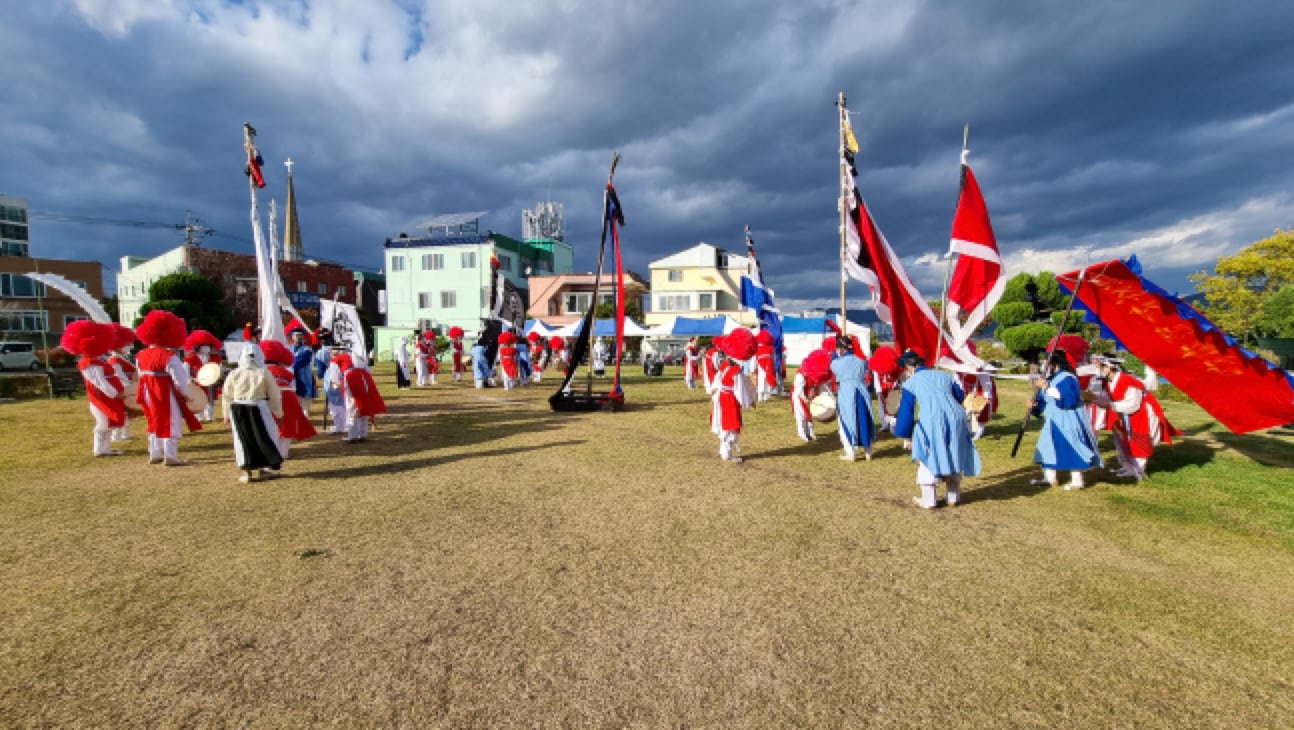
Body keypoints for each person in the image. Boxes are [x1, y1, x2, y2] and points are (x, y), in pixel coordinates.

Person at [894, 350, 981, 509]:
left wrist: (905, 434)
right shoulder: (945, 376)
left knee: (929, 453)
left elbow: (907, 410)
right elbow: (960, 396)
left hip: (932, 418)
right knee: (953, 451)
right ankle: (953, 496)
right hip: (956, 416)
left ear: (909, 368)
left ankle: (929, 500)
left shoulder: (911, 383)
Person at [1092, 356, 1180, 481]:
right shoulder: (1108, 382)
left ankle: (1138, 469)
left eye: (1101, 367)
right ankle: (1127, 467)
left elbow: (1133, 403)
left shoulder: (1128, 380)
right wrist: (1094, 398)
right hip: (1124, 412)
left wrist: (1110, 405)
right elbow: (1108, 397)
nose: (1099, 369)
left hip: (1141, 412)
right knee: (1121, 439)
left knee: (1138, 439)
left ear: (1110, 368)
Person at [134, 310, 202, 466]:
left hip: (146, 392)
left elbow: (140, 375)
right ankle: (171, 456)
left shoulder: (140, 354)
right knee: (172, 421)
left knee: (153, 420)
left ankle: (155, 452)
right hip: (164, 392)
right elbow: (180, 379)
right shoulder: (169, 356)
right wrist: (186, 395)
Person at [1029, 350, 1103, 489]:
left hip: (1067, 418)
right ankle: (1049, 478)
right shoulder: (1050, 379)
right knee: (1047, 447)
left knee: (1071, 446)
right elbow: (1044, 399)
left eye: (1046, 362)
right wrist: (1034, 405)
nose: (1044, 364)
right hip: (1052, 419)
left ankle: (1077, 481)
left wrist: (1046, 387)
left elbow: (1068, 398)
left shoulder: (1068, 378)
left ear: (1054, 363)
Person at [61, 321, 126, 457]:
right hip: (100, 396)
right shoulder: (89, 362)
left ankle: (105, 448)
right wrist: (114, 394)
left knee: (107, 421)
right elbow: (99, 382)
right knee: (102, 422)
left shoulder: (96, 360)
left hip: (105, 395)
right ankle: (99, 449)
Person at [221, 346, 284, 483]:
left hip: (242, 408)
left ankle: (251, 472)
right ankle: (258, 470)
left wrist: (226, 414)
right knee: (262, 437)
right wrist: (278, 413)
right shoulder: (263, 372)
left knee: (244, 439)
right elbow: (274, 395)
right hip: (257, 407)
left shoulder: (235, 373)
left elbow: (227, 395)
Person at [259, 339, 318, 461]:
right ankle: (283, 452)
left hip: (267, 398)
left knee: (268, 425)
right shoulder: (288, 371)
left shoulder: (260, 371)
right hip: (288, 397)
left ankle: (270, 451)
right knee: (287, 425)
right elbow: (293, 386)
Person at [709, 329, 757, 462]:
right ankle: (727, 453)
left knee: (724, 424)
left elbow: (717, 381)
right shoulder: (736, 371)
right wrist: (748, 402)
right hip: (729, 399)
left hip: (722, 397)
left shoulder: (725, 365)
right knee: (731, 425)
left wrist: (714, 392)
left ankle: (724, 450)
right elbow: (740, 390)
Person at [829, 335, 877, 461]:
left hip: (846, 393)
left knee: (846, 421)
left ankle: (850, 453)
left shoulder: (836, 363)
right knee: (864, 420)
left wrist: (835, 354)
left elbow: (833, 366)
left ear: (840, 349)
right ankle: (869, 451)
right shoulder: (862, 362)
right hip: (861, 392)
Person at [338, 354, 387, 442]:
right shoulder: (365, 373)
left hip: (353, 398)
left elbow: (347, 388)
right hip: (364, 397)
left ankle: (353, 435)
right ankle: (363, 434)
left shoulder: (349, 373)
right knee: (363, 415)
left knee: (353, 416)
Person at [792, 349, 833, 443]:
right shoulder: (801, 374)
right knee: (801, 414)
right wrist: (804, 398)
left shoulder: (820, 375)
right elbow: (798, 388)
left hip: (811, 394)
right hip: (800, 395)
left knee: (811, 414)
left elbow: (822, 386)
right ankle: (802, 432)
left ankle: (810, 432)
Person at [182, 329, 222, 422]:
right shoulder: (191, 358)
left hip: (210, 382)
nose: (206, 348)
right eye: (204, 346)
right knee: (198, 399)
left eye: (208, 345)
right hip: (197, 382)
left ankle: (210, 416)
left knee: (210, 399)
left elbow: (218, 368)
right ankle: (198, 416)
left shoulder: (214, 357)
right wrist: (189, 380)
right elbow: (185, 370)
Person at [107, 324, 138, 443]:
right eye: (126, 344)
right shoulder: (114, 359)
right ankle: (116, 435)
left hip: (130, 387)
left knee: (132, 413)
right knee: (123, 413)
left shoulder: (123, 358)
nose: (128, 346)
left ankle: (125, 432)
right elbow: (119, 376)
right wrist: (130, 387)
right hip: (124, 389)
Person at [289, 325, 318, 415]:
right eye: (296, 335)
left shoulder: (307, 349)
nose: (298, 338)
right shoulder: (289, 348)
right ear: (292, 337)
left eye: (300, 336)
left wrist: (289, 364)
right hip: (291, 377)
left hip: (304, 376)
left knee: (305, 401)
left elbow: (300, 361)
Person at [322, 347, 348, 435]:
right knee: (337, 408)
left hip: (336, 389)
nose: (332, 355)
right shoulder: (333, 363)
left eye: (335, 353)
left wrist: (335, 385)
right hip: (333, 389)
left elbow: (336, 378)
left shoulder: (337, 363)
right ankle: (340, 426)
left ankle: (341, 426)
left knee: (338, 409)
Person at [754, 330, 777, 402]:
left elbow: (755, 359)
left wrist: (753, 368)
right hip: (769, 366)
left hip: (761, 367)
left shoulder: (757, 349)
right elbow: (774, 359)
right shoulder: (771, 349)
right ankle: (766, 397)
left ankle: (760, 396)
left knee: (761, 380)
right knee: (767, 380)